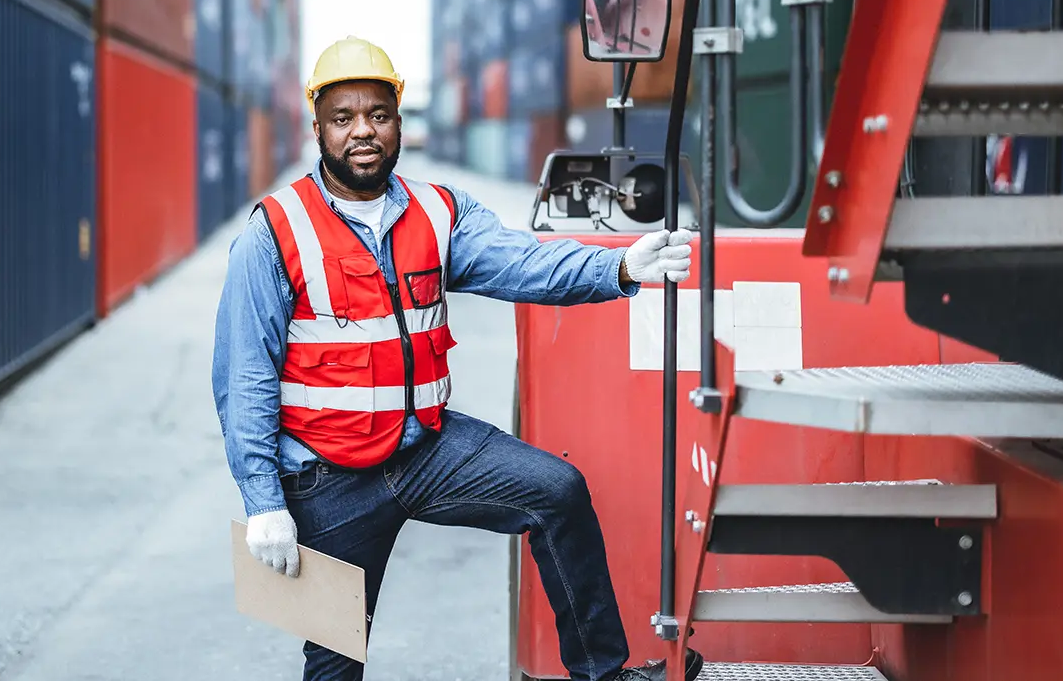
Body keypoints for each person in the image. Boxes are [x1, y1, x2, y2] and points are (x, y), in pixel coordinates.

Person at [212, 36, 700, 681]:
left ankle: (601, 675)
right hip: (326, 479)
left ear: (399, 122)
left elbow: (523, 263)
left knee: (557, 492)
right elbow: (244, 375)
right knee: (332, 665)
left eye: (378, 114)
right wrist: (263, 500)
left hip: (427, 451)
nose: (363, 131)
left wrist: (617, 265)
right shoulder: (273, 231)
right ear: (319, 128)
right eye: (343, 117)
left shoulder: (440, 213)